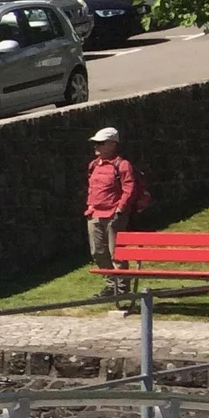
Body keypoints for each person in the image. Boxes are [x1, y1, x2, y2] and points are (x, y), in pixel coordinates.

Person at [86, 126, 142, 294]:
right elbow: (92, 187)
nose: (96, 146)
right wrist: (90, 206)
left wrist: (120, 209)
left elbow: (129, 188)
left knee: (117, 253)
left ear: (112, 144)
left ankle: (122, 287)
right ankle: (112, 284)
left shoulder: (122, 165)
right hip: (95, 214)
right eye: (96, 143)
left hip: (113, 215)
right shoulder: (94, 165)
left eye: (100, 143)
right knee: (97, 252)